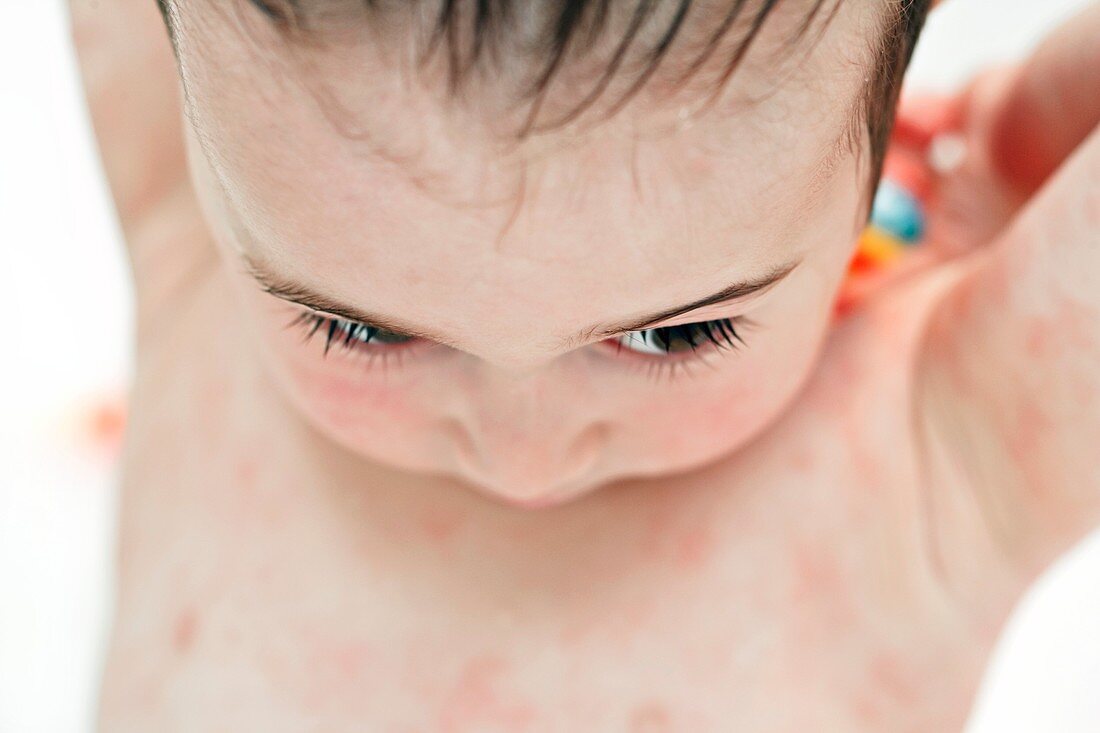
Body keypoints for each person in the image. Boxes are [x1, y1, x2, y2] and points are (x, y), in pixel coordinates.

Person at [69, 0, 1099, 729]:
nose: (524, 456)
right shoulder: (196, 238)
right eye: (363, 330)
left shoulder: (950, 446)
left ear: (872, 146)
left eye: (673, 334)